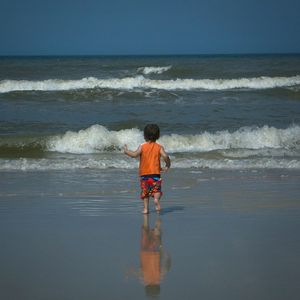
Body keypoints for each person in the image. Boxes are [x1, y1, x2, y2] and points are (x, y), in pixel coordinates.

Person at [124, 124, 171, 214]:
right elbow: (165, 156)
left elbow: (134, 154)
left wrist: (126, 151)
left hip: (144, 174)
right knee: (156, 190)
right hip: (155, 174)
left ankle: (146, 209)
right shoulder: (159, 147)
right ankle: (156, 200)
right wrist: (167, 165)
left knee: (145, 192)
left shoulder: (142, 146)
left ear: (144, 135)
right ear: (158, 135)